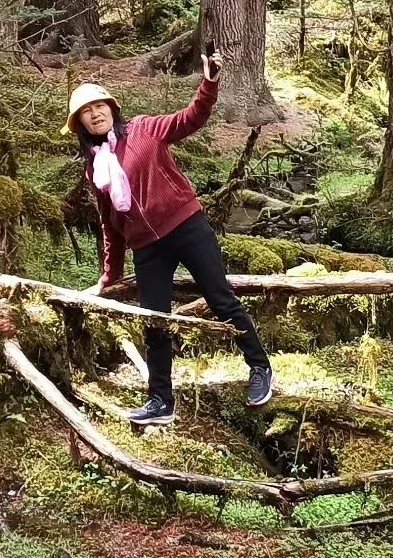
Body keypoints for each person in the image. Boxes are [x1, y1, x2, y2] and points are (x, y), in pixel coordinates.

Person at [69, 50, 274, 424]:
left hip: (185, 226)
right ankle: (161, 400)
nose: (97, 113)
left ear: (113, 109)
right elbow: (109, 223)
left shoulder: (146, 128)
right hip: (147, 248)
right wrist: (109, 274)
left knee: (220, 299)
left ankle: (260, 367)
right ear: (80, 123)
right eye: (88, 111)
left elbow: (191, 118)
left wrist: (209, 81)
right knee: (155, 321)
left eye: (101, 106)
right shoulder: (94, 166)